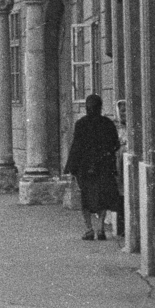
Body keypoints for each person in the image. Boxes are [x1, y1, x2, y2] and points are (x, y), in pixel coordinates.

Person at [64, 93, 122, 241]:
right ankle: (101, 228)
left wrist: (71, 168)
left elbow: (76, 147)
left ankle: (89, 229)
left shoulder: (81, 124)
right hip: (104, 166)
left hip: (85, 168)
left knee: (86, 198)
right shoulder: (107, 123)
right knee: (102, 197)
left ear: (86, 107)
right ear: (100, 107)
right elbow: (115, 144)